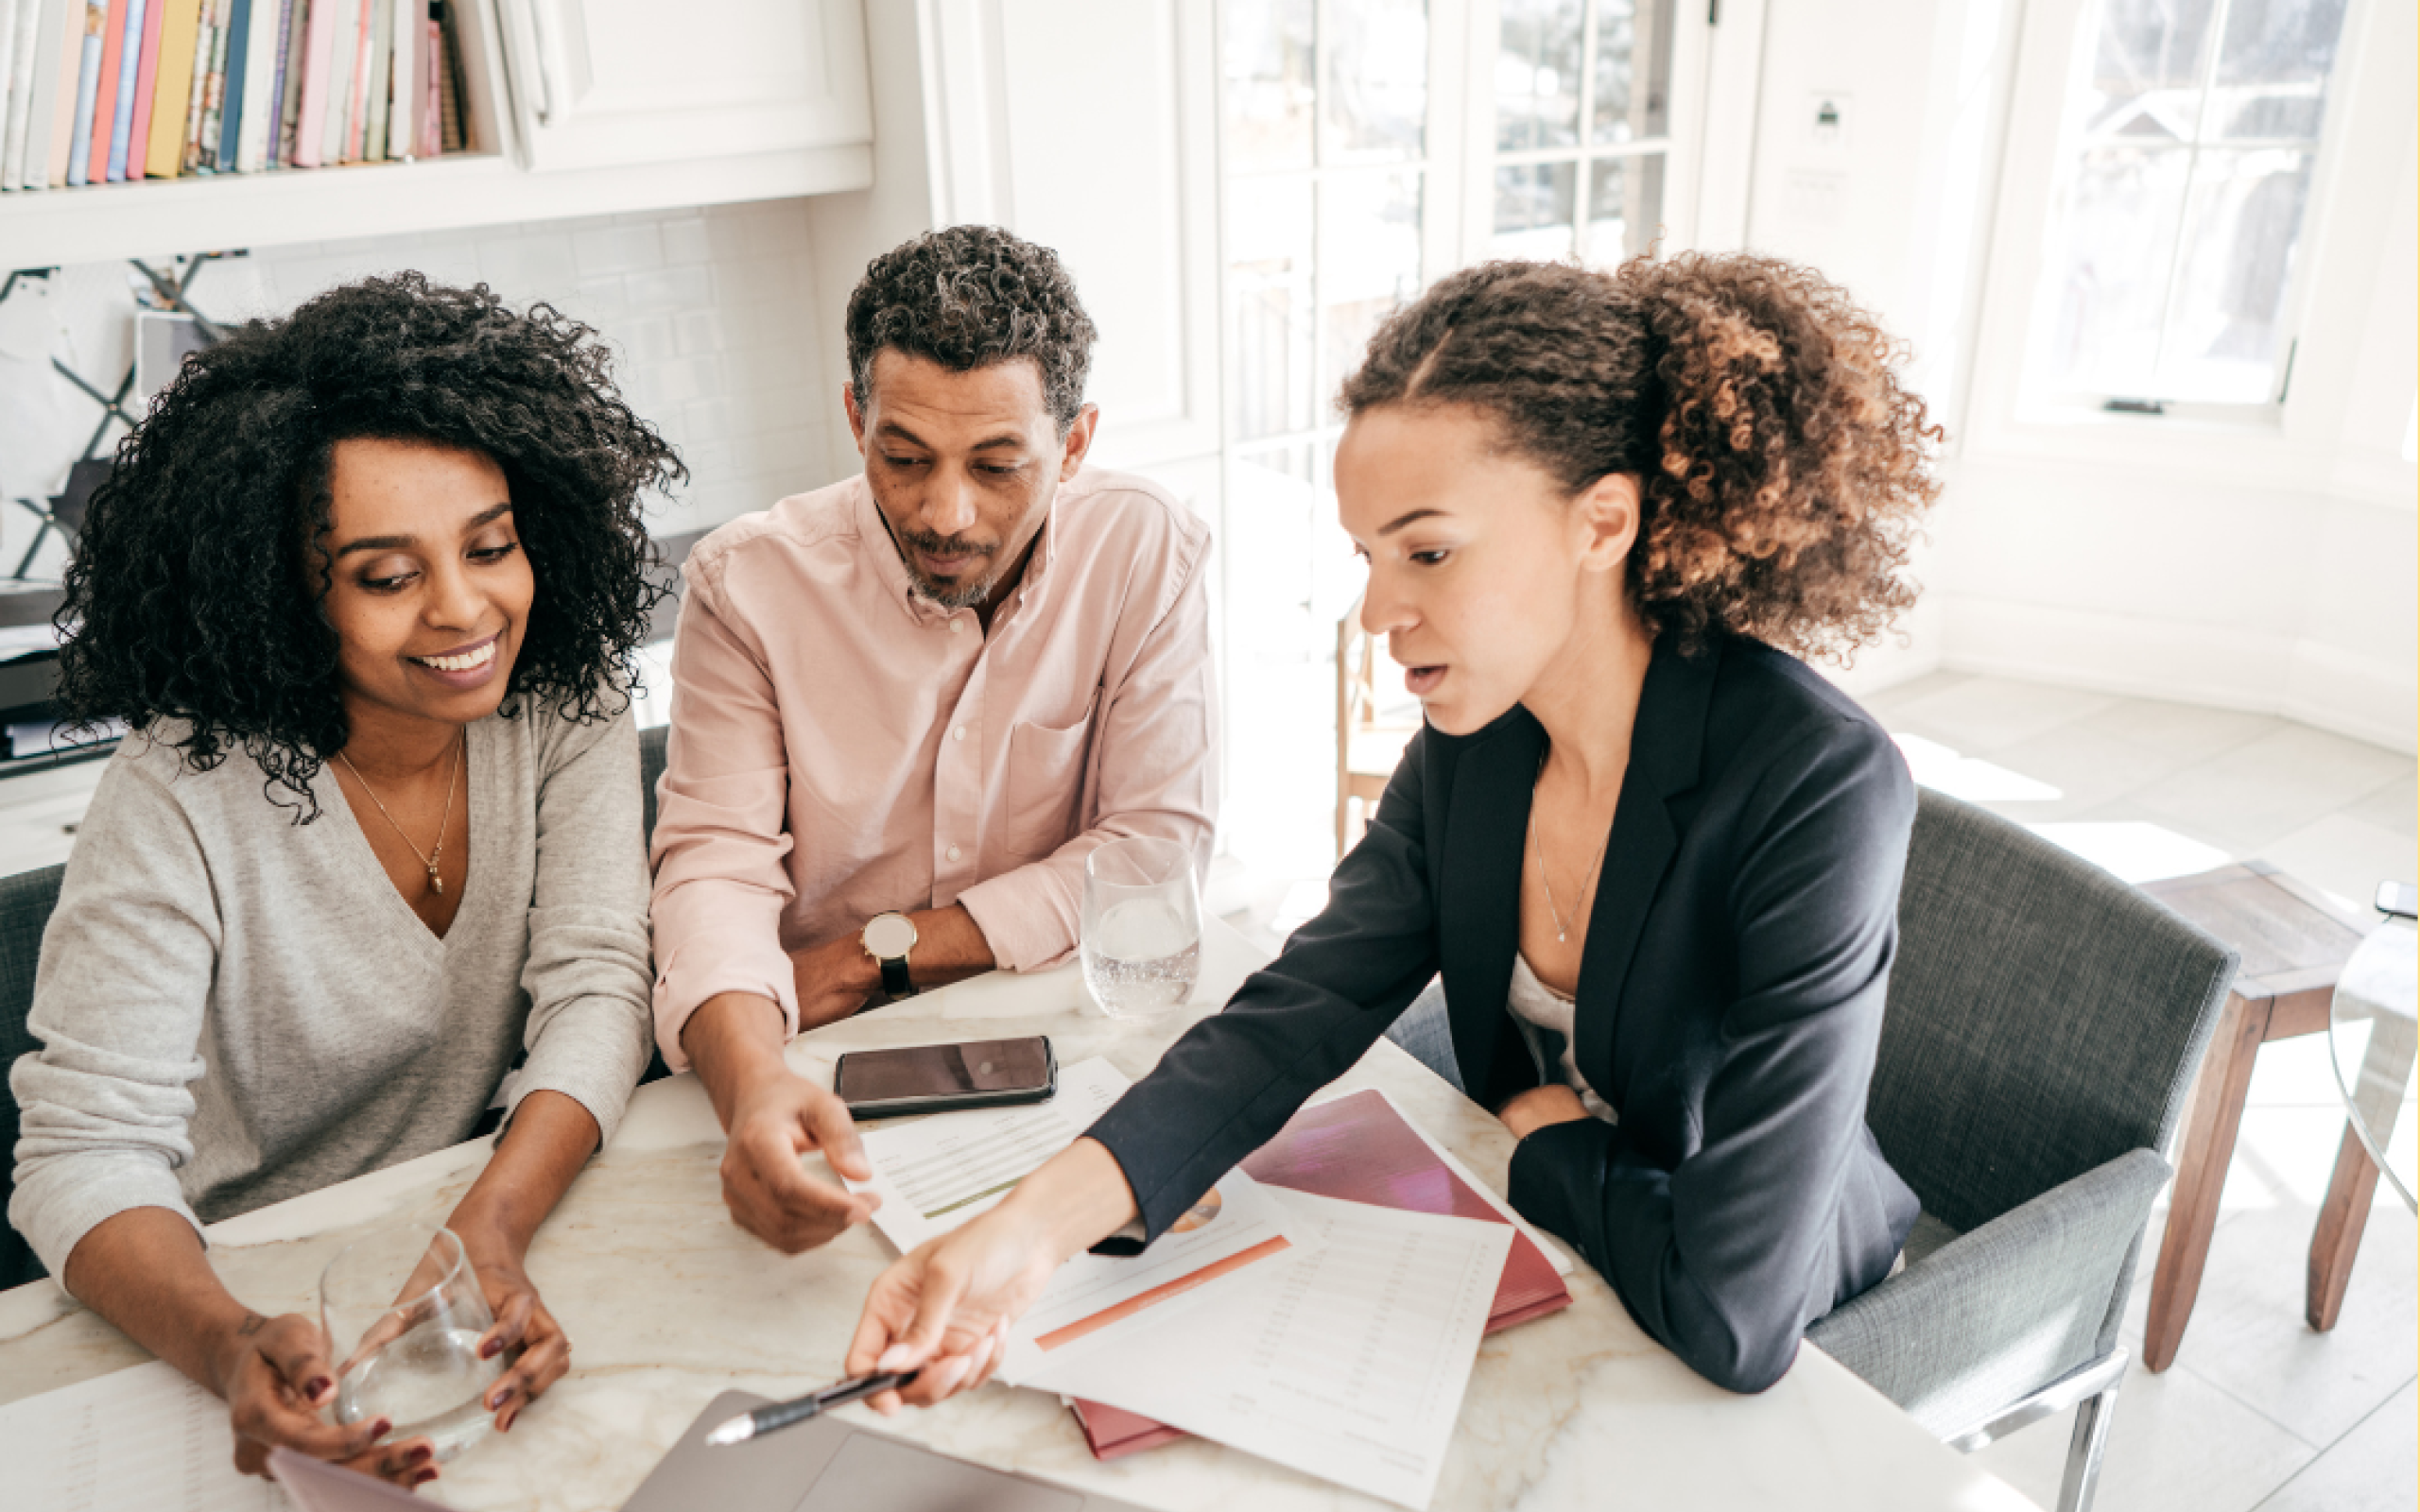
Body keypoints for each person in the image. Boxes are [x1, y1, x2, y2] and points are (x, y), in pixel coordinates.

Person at [839, 252, 1944, 1404]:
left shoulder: (1814, 783)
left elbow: (1734, 1315)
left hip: (1793, 1343)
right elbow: (1301, 1003)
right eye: (1367, 555)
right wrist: (1020, 1239)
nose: (1378, 612)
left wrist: (1547, 1142)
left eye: (1429, 551)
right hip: (1573, 1262)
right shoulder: (1482, 738)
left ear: (1601, 521)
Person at [9, 275, 677, 1487]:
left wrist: (491, 1226)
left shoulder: (565, 698)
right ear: (284, 591)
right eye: (386, 575)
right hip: (241, 1286)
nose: (465, 608)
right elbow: (81, 1156)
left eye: (490, 545)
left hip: (485, 1219)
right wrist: (226, 1343)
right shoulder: (177, 791)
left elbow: (598, 984)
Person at [648, 226, 1218, 1255]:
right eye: (901, 458)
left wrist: (879, 954)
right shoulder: (746, 586)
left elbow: (1153, 853)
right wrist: (752, 1093)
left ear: (1075, 445)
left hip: (1058, 1036)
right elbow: (712, 871)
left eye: (999, 466)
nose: (944, 512)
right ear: (855, 417)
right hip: (819, 1059)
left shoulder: (1143, 547)